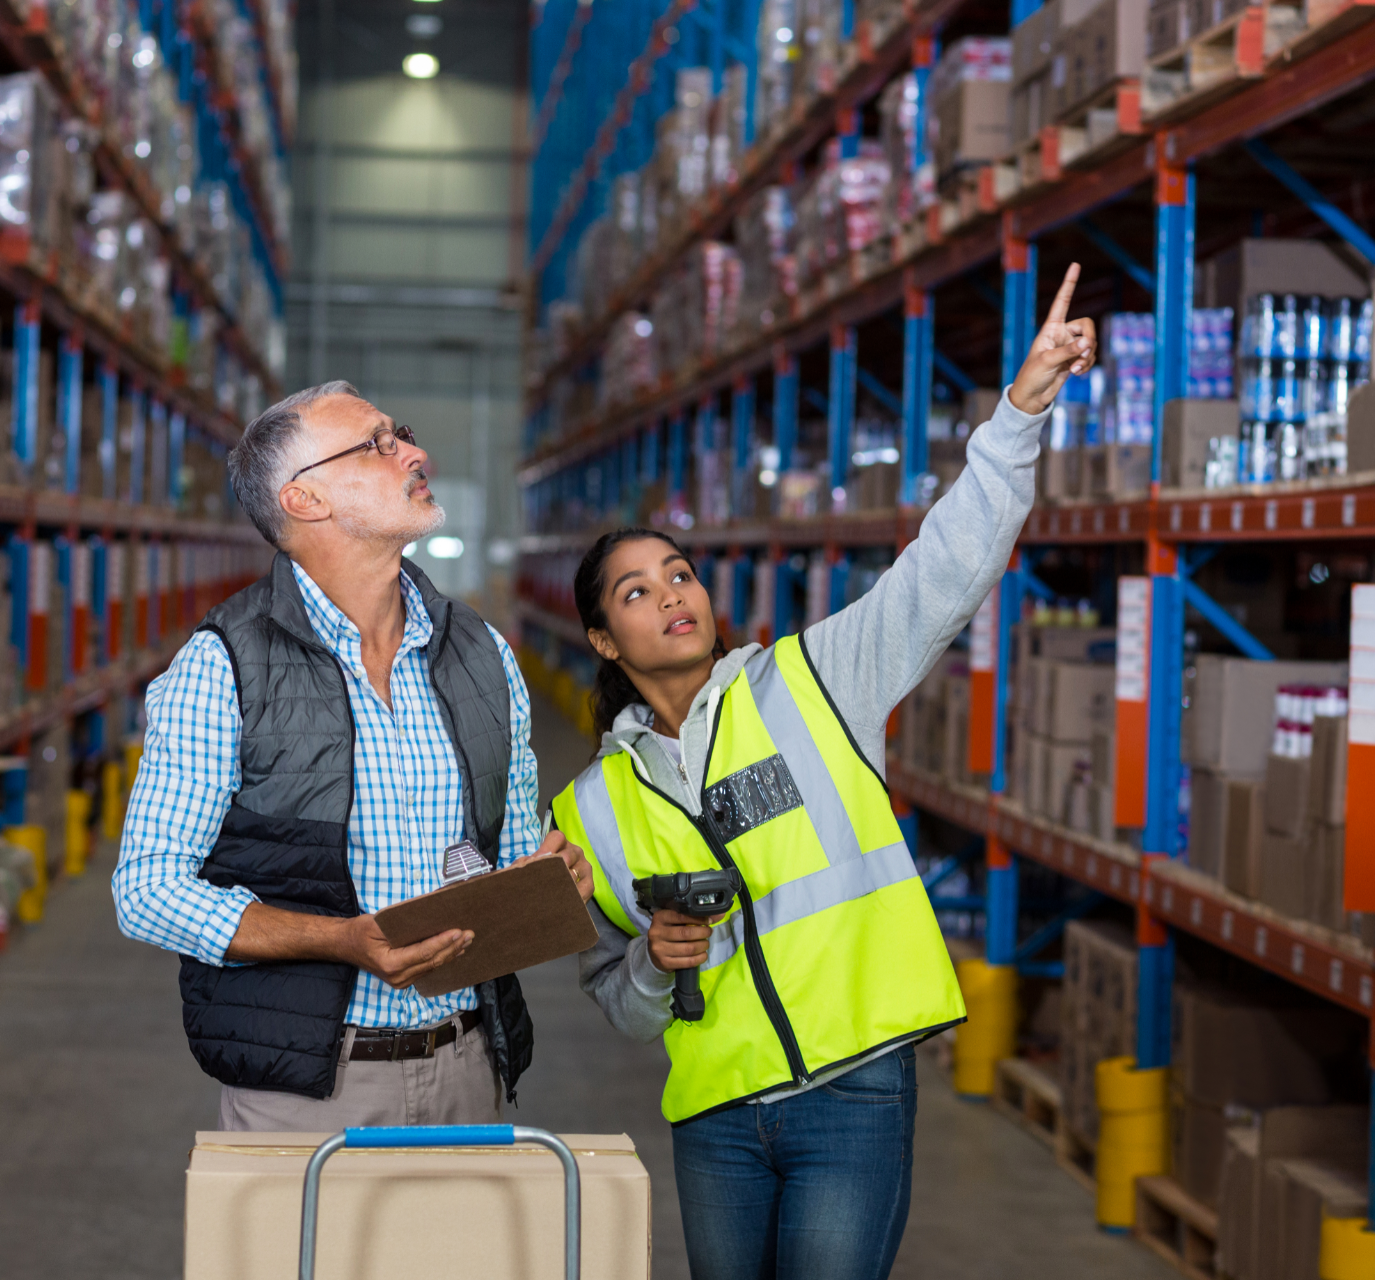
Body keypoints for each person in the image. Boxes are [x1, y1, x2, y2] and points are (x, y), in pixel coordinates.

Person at [550, 265, 1096, 1279]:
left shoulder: (813, 680)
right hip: (715, 1115)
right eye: (636, 590)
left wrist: (1019, 411)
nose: (671, 593)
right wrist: (652, 964)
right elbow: (613, 998)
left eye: (679, 572)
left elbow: (946, 567)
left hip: (853, 1094)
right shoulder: (591, 806)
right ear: (602, 638)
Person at [112, 381, 593, 1131]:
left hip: (470, 1067)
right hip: (307, 1086)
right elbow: (147, 890)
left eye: (398, 433)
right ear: (304, 500)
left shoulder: (483, 653)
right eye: (377, 443)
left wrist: (545, 879)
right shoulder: (223, 666)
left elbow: (501, 855)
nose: (413, 451)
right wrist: (339, 941)